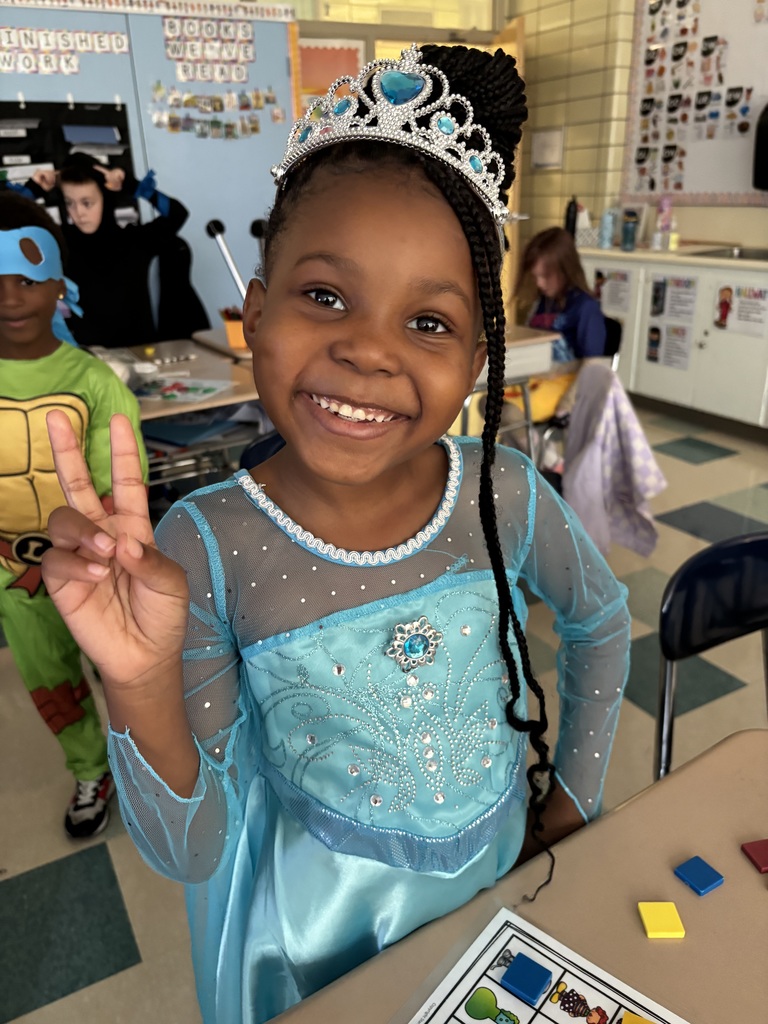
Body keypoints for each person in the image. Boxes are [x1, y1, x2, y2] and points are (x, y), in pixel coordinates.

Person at [41, 45, 630, 1024]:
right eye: (326, 296)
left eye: (430, 322)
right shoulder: (201, 550)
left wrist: (573, 798)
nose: (367, 349)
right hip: (309, 947)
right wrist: (139, 684)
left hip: (495, 886)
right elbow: (190, 851)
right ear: (254, 314)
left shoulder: (508, 492)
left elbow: (603, 625)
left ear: (479, 357)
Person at [0, 193, 149, 836]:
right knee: (49, 678)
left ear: (59, 281)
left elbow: (121, 481)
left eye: (28, 278)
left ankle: (150, 761)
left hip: (95, 568)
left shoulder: (94, 382)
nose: (10, 296)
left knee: (123, 669)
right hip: (13, 573)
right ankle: (91, 765)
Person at [28, 155, 207, 347]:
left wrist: (131, 185)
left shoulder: (134, 240)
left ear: (105, 200)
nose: (78, 212)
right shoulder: (61, 242)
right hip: (90, 356)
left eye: (87, 203)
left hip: (140, 353)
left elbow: (177, 213)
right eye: (70, 203)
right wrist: (33, 188)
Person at [501, 227, 607, 453]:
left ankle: (547, 462)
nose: (539, 283)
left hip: (567, 383)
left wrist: (567, 404)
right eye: (536, 276)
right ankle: (535, 456)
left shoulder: (585, 307)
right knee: (488, 403)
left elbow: (593, 365)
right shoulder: (543, 302)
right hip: (539, 378)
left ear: (565, 269)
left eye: (545, 276)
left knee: (507, 413)